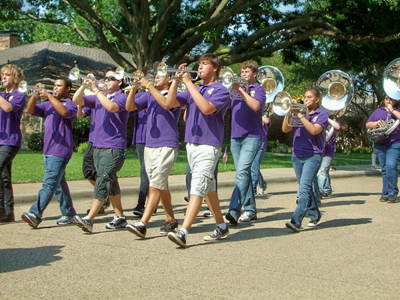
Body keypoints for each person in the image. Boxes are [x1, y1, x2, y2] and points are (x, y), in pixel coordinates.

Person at [164, 53, 230, 247]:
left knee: (198, 185)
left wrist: (189, 83)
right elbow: (169, 103)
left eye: (204, 64)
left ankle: (183, 231)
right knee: (208, 187)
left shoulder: (221, 90)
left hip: (209, 144)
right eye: (199, 64)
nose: (199, 68)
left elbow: (207, 108)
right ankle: (221, 225)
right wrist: (176, 81)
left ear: (215, 68)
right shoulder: (196, 88)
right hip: (192, 143)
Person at [72, 67, 129, 233]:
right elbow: (77, 99)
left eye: (111, 78)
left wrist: (96, 90)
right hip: (97, 145)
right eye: (105, 78)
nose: (107, 80)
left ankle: (89, 219)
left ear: (119, 81)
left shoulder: (122, 97)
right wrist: (84, 85)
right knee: (110, 182)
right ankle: (120, 217)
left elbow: (111, 108)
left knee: (103, 180)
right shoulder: (99, 97)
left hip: (113, 147)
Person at [125, 73, 181, 238]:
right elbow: (129, 107)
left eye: (160, 76)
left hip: (167, 143)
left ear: (169, 79)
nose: (156, 78)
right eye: (155, 76)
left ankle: (142, 223)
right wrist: (134, 88)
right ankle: (171, 219)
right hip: (150, 144)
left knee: (155, 184)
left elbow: (166, 104)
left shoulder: (175, 94)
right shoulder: (149, 95)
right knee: (160, 183)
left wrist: (148, 85)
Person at [21, 77, 77, 228]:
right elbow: (31, 110)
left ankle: (35, 213)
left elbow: (64, 112)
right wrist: (34, 95)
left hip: (60, 150)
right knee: (58, 184)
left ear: (68, 89)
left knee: (49, 183)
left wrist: (49, 95)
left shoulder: (70, 104)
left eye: (59, 86)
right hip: (48, 150)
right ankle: (69, 213)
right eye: (54, 85)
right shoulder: (48, 105)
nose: (56, 88)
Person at [283, 87, 328, 232]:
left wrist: (301, 115)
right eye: (305, 97)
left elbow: (314, 130)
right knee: (306, 188)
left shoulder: (322, 113)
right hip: (297, 154)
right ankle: (314, 215)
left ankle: (296, 220)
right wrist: (289, 111)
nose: (306, 99)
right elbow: (285, 129)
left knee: (303, 188)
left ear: (317, 99)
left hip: (313, 155)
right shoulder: (298, 113)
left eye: (309, 97)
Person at [225, 60, 266, 224]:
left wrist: (240, 90)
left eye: (246, 72)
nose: (243, 75)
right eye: (242, 72)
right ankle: (250, 210)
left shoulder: (259, 90)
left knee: (242, 172)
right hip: (235, 136)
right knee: (244, 173)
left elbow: (255, 106)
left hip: (253, 136)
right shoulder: (233, 90)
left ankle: (234, 210)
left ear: (254, 74)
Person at [0, 64, 26, 223]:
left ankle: (1, 209)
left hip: (10, 141)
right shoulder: (2, 94)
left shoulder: (19, 95)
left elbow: (8, 108)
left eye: (7, 75)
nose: (3, 78)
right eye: (2, 75)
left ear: (15, 78)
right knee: (4, 178)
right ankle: (8, 213)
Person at [366, 94, 400, 203]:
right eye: (386, 98)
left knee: (391, 166)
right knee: (385, 169)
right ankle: (385, 193)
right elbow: (368, 125)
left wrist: (392, 111)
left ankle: (392, 193)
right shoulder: (378, 111)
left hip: (394, 143)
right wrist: (376, 123)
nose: (388, 100)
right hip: (380, 143)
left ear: (395, 100)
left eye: (391, 99)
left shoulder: (397, 111)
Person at [77, 105, 110, 214]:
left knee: (104, 173)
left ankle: (101, 201)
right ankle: (104, 195)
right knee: (88, 171)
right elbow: (80, 114)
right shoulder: (93, 101)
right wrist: (79, 102)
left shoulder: (110, 99)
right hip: (93, 140)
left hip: (106, 141)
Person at [131, 108, 150, 216]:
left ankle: (140, 204)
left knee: (145, 172)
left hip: (151, 138)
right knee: (147, 173)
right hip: (140, 137)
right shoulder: (139, 97)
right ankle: (153, 202)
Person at [318, 117, 341, 197]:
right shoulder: (319, 118)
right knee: (324, 171)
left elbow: (338, 127)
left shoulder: (334, 121)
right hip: (319, 149)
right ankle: (327, 189)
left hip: (329, 150)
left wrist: (326, 118)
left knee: (323, 170)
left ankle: (320, 191)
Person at [251, 114, 271, 196]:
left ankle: (253, 189)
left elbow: (267, 121)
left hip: (261, 145)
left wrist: (257, 114)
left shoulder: (266, 115)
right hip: (251, 144)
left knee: (254, 167)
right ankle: (262, 184)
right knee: (254, 167)